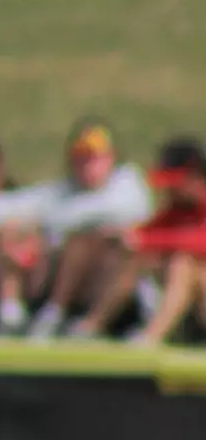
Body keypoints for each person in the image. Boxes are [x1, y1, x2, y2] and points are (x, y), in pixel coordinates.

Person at [0, 119, 152, 336]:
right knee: (8, 231)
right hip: (57, 274)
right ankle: (11, 315)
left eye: (94, 159)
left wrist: (44, 225)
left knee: (85, 242)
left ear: (112, 158)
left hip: (115, 286)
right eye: (81, 159)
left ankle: (74, 320)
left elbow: (120, 211)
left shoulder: (128, 186)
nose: (87, 166)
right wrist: (25, 229)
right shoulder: (63, 192)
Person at [69, 137, 206, 344]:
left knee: (182, 264)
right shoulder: (179, 208)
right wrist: (119, 235)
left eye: (176, 184)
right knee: (138, 257)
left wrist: (142, 240)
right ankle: (91, 326)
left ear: (196, 178)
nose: (169, 191)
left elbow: (199, 242)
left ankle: (151, 338)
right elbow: (148, 232)